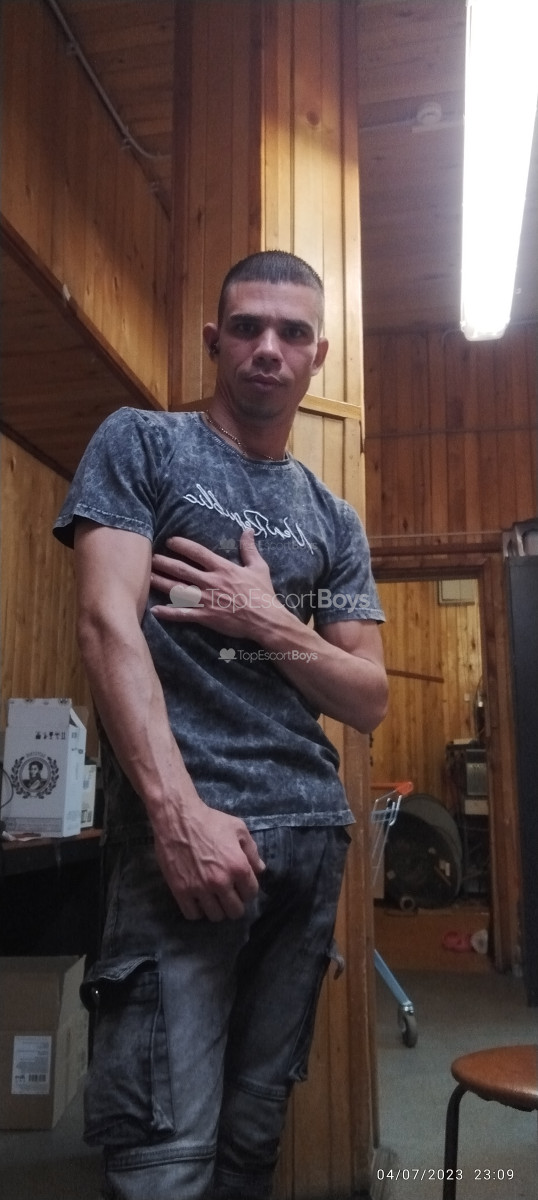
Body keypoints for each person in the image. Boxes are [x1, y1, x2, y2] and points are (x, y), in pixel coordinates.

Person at [53, 250, 388, 1200]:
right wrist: (175, 816)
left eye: (291, 332)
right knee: (162, 1161)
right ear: (214, 340)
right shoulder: (144, 444)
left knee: (250, 1144)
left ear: (317, 355)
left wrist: (268, 621)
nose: (268, 348)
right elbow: (104, 624)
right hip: (187, 849)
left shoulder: (332, 518)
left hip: (310, 846)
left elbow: (366, 698)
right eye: (247, 327)